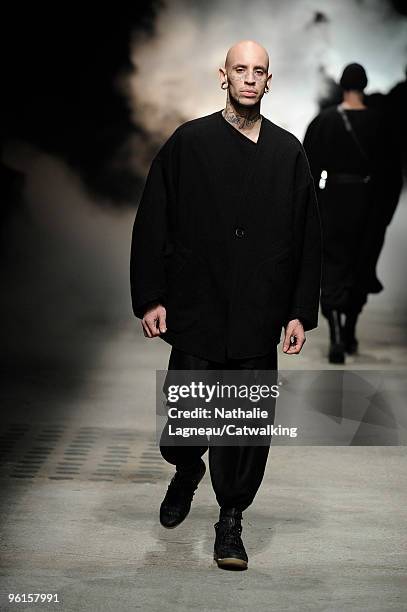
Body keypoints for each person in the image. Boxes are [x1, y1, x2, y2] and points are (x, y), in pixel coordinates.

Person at [130, 39, 322, 570]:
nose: (249, 78)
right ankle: (187, 468)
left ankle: (231, 518)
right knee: (189, 421)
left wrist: (299, 311)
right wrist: (150, 296)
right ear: (224, 76)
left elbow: (308, 236)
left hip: (259, 311)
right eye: (240, 68)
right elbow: (153, 219)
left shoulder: (288, 153)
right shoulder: (189, 142)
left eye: (258, 70)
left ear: (268, 81)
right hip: (197, 306)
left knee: (243, 424)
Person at [303, 63, 403, 363]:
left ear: (342, 86)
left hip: (332, 202)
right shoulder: (382, 124)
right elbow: (392, 176)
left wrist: (316, 206)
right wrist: (383, 215)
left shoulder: (323, 122)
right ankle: (349, 331)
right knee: (360, 267)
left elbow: (307, 170)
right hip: (368, 205)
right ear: (365, 84)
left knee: (332, 268)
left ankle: (334, 334)